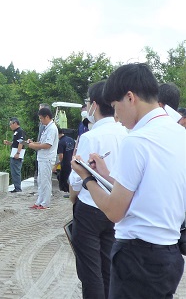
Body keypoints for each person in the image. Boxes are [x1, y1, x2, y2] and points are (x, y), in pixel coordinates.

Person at [71, 63, 186, 298]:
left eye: (115, 106)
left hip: (137, 256)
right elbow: (148, 191)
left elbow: (114, 211)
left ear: (130, 97)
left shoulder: (137, 140)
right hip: (169, 254)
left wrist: (87, 179)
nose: (116, 116)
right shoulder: (178, 133)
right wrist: (104, 175)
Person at [68, 81, 128, 299]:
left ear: (94, 105)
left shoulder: (90, 136)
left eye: (87, 103)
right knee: (107, 266)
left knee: (89, 271)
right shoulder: (126, 133)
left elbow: (77, 177)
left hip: (90, 207)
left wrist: (73, 199)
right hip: (116, 207)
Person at [27, 107, 58, 209]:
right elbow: (42, 142)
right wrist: (32, 143)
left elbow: (47, 145)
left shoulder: (52, 128)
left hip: (47, 158)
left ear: (47, 117)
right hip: (42, 158)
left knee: (45, 181)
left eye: (41, 118)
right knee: (40, 181)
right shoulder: (47, 128)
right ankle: (39, 201)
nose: (40, 120)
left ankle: (45, 203)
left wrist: (34, 146)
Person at [3, 117, 26, 193]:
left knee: (16, 170)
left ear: (15, 123)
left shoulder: (20, 131)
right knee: (14, 170)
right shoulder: (16, 132)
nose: (10, 126)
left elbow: (21, 142)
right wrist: (9, 143)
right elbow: (15, 143)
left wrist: (18, 153)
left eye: (11, 124)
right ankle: (16, 186)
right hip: (14, 152)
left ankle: (18, 188)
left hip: (17, 153)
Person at [53, 126, 75, 194]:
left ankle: (65, 192)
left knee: (62, 179)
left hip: (65, 163)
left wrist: (56, 166)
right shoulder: (71, 139)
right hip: (72, 162)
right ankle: (70, 191)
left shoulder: (61, 143)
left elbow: (61, 156)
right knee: (69, 178)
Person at [34, 103, 50, 185]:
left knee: (44, 178)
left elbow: (47, 144)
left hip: (46, 156)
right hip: (39, 150)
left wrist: (34, 145)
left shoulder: (50, 127)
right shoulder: (41, 123)